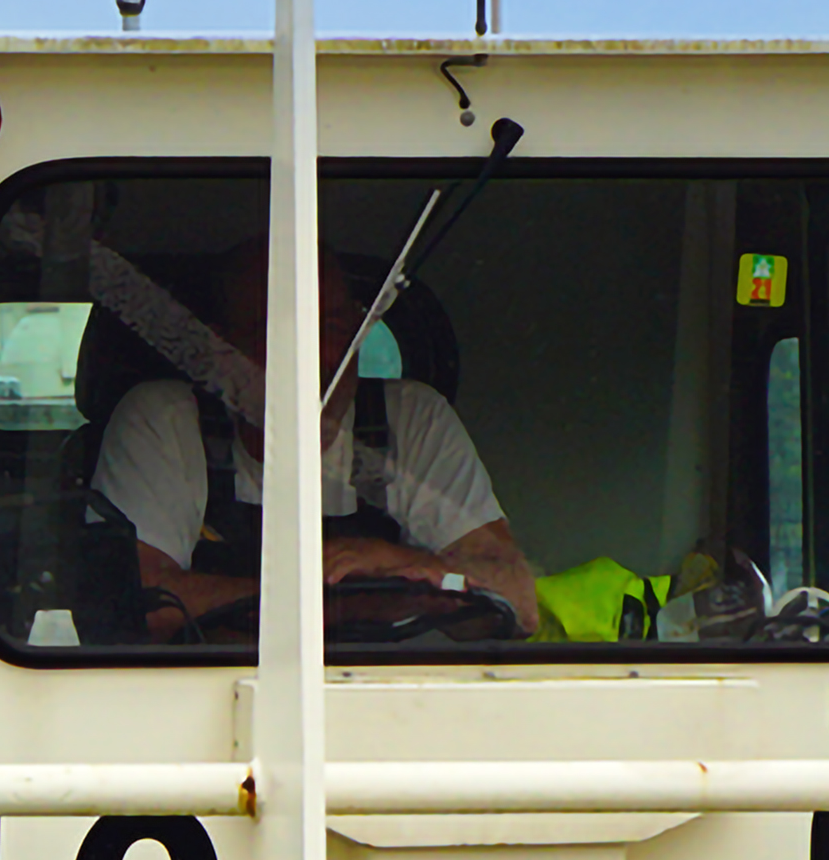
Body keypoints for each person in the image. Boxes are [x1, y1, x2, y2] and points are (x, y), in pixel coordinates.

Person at [97, 258, 536, 641]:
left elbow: (517, 604)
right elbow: (144, 607)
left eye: (333, 328)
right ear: (219, 347)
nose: (314, 356)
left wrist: (400, 563)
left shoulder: (412, 418)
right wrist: (356, 600)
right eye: (279, 330)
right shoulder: (168, 418)